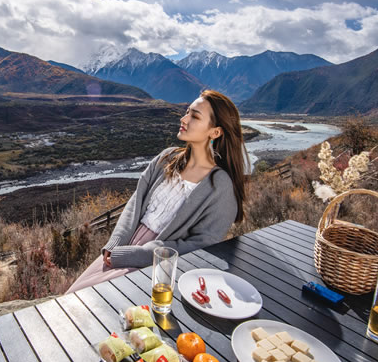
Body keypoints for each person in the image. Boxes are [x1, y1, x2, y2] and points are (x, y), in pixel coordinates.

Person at [66, 89, 248, 294]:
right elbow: (135, 203)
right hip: (123, 249)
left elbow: (201, 245)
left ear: (215, 132)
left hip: (159, 265)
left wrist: (137, 254)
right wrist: (115, 242)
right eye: (187, 111)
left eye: (194, 115)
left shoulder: (220, 185)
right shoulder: (167, 158)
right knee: (71, 299)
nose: (184, 118)